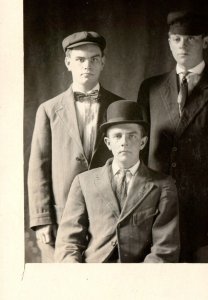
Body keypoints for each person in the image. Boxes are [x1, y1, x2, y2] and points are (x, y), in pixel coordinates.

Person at [137, 11, 208, 262]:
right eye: (177, 39)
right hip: (158, 212)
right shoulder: (151, 88)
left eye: (191, 38)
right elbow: (141, 151)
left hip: (207, 215)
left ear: (206, 42)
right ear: (169, 41)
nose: (183, 45)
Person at [28, 31, 123, 262]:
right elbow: (38, 168)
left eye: (93, 59)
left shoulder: (119, 106)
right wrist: (42, 221)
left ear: (103, 62)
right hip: (62, 218)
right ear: (68, 62)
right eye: (80, 59)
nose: (87, 65)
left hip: (107, 219)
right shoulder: (49, 110)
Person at [54, 100, 180, 263]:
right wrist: (78, 276)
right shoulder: (84, 182)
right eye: (117, 136)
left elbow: (164, 249)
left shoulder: (163, 185)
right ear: (108, 143)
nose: (124, 142)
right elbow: (68, 243)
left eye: (132, 136)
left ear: (142, 142)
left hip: (137, 277)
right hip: (93, 273)